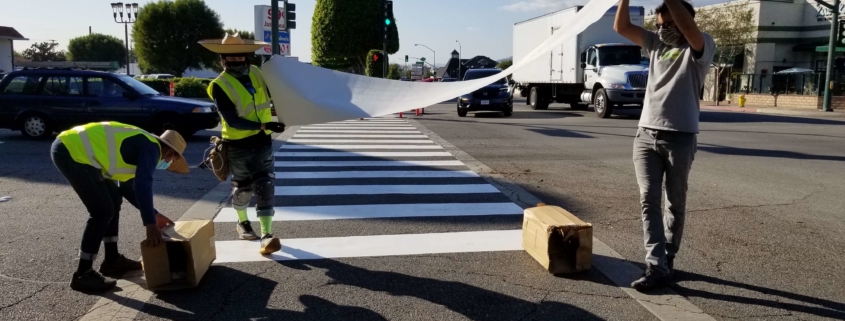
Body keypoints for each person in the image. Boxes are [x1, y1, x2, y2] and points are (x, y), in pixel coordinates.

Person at [614, 0, 715, 291]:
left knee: (675, 202)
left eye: (669, 24)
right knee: (649, 200)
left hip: (679, 136)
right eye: (659, 25)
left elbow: (688, 29)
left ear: (684, 21)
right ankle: (656, 265)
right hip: (645, 134)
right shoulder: (655, 42)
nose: (663, 30)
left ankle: (668, 256)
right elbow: (621, 27)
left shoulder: (701, 45)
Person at [51, 121, 190, 292]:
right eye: (171, 160)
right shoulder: (152, 147)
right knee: (102, 211)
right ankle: (83, 274)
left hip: (84, 155)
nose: (168, 163)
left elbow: (128, 189)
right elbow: (143, 185)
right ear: (170, 153)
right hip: (72, 151)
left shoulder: (141, 145)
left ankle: (112, 260)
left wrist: (154, 214)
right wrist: (150, 225)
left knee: (114, 200)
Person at [199, 34, 287, 255]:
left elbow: (277, 94)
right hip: (237, 144)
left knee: (265, 185)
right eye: (231, 55)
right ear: (223, 58)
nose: (236, 58)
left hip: (263, 142)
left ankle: (267, 235)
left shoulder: (258, 73)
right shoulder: (219, 85)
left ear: (247, 55)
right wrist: (264, 125)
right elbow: (232, 119)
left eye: (240, 54)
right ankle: (243, 223)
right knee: (244, 188)